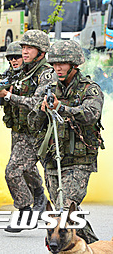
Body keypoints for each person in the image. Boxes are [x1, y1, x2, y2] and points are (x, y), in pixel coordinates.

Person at [28, 40, 103, 244]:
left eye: (62, 63)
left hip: (79, 159)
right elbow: (33, 124)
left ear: (74, 64)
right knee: (66, 213)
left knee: (66, 207)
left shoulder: (89, 89)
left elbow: (91, 115)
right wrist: (41, 110)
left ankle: (95, 247)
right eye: (54, 64)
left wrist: (62, 109)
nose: (57, 68)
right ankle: (93, 246)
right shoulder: (49, 89)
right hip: (53, 158)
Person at [0, 30, 52, 233]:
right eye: (22, 48)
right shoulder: (23, 71)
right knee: (25, 168)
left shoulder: (46, 73)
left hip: (41, 132)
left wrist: (7, 96)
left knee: (14, 171)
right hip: (21, 129)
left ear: (40, 51)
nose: (23, 52)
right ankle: (38, 197)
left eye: (29, 48)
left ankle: (26, 210)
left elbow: (37, 102)